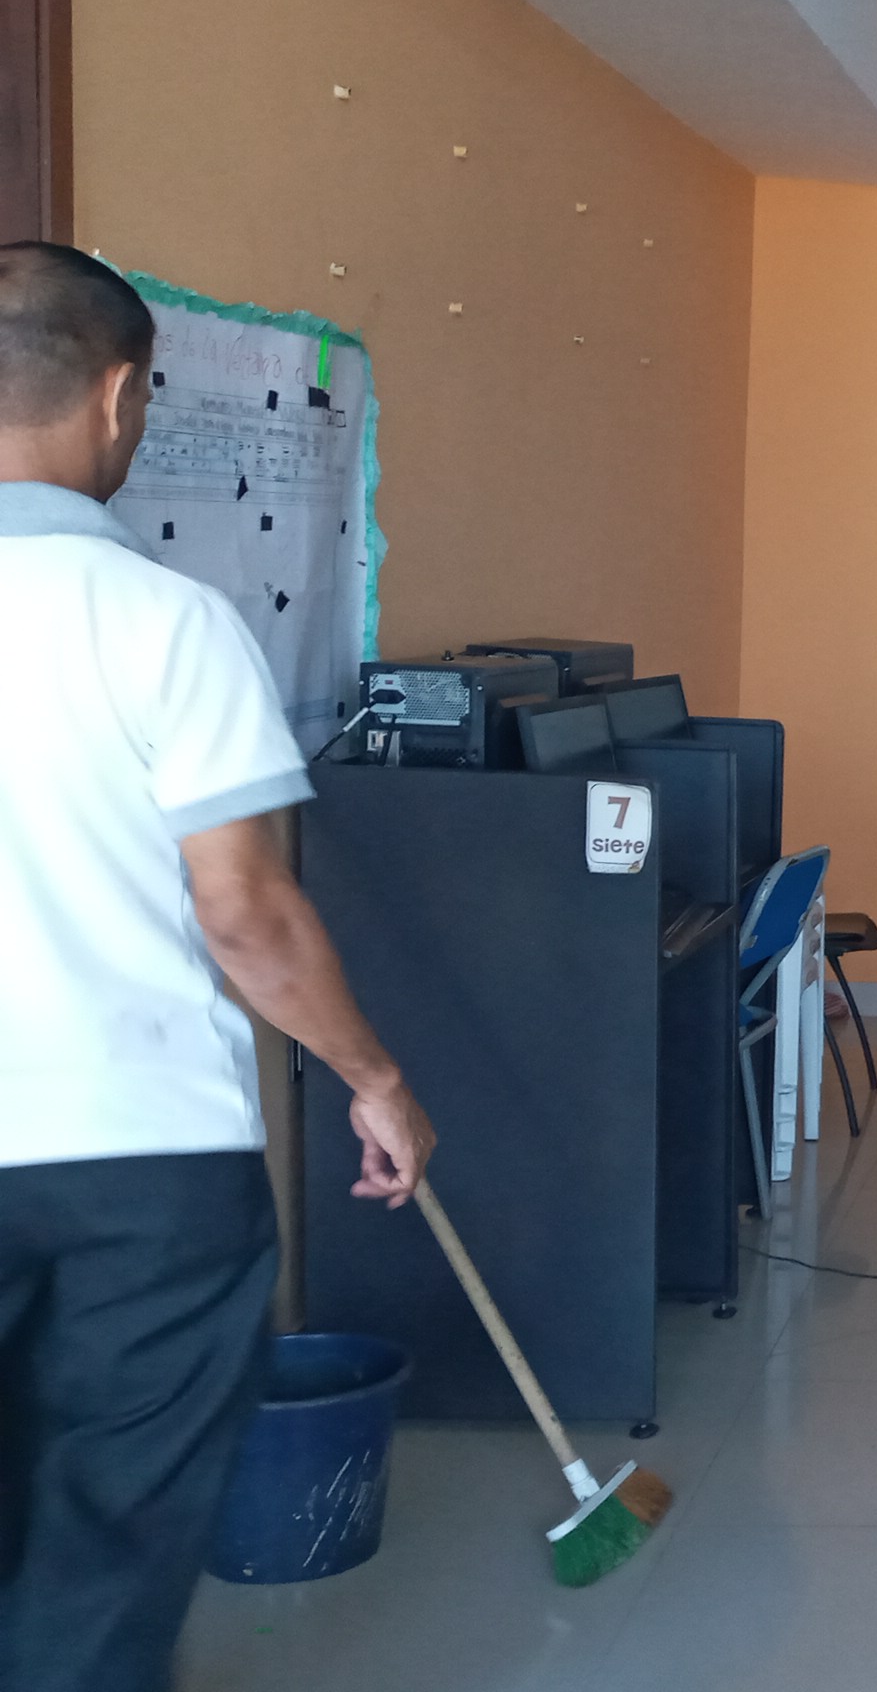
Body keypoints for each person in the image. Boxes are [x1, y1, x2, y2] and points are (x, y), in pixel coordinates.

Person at [0, 242, 436, 1692]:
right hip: (139, 1168)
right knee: (102, 1548)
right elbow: (246, 914)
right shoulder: (163, 622)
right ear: (118, 395)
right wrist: (373, 1079)